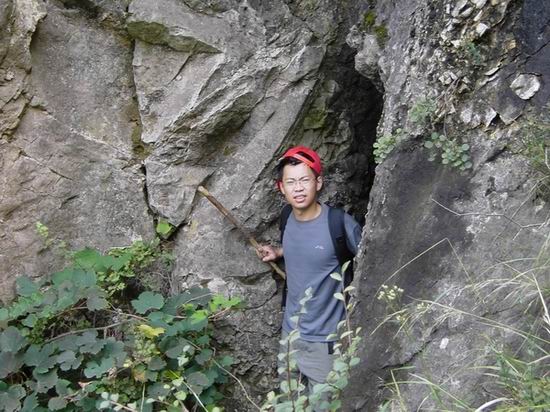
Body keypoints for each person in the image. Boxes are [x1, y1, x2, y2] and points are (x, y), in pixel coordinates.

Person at [258, 146, 362, 406]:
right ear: (281, 188)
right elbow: (306, 249)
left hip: (326, 341)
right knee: (290, 404)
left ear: (318, 182)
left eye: (305, 180)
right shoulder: (286, 218)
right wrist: (278, 251)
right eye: (291, 182)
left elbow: (371, 263)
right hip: (290, 335)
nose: (298, 188)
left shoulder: (339, 224)